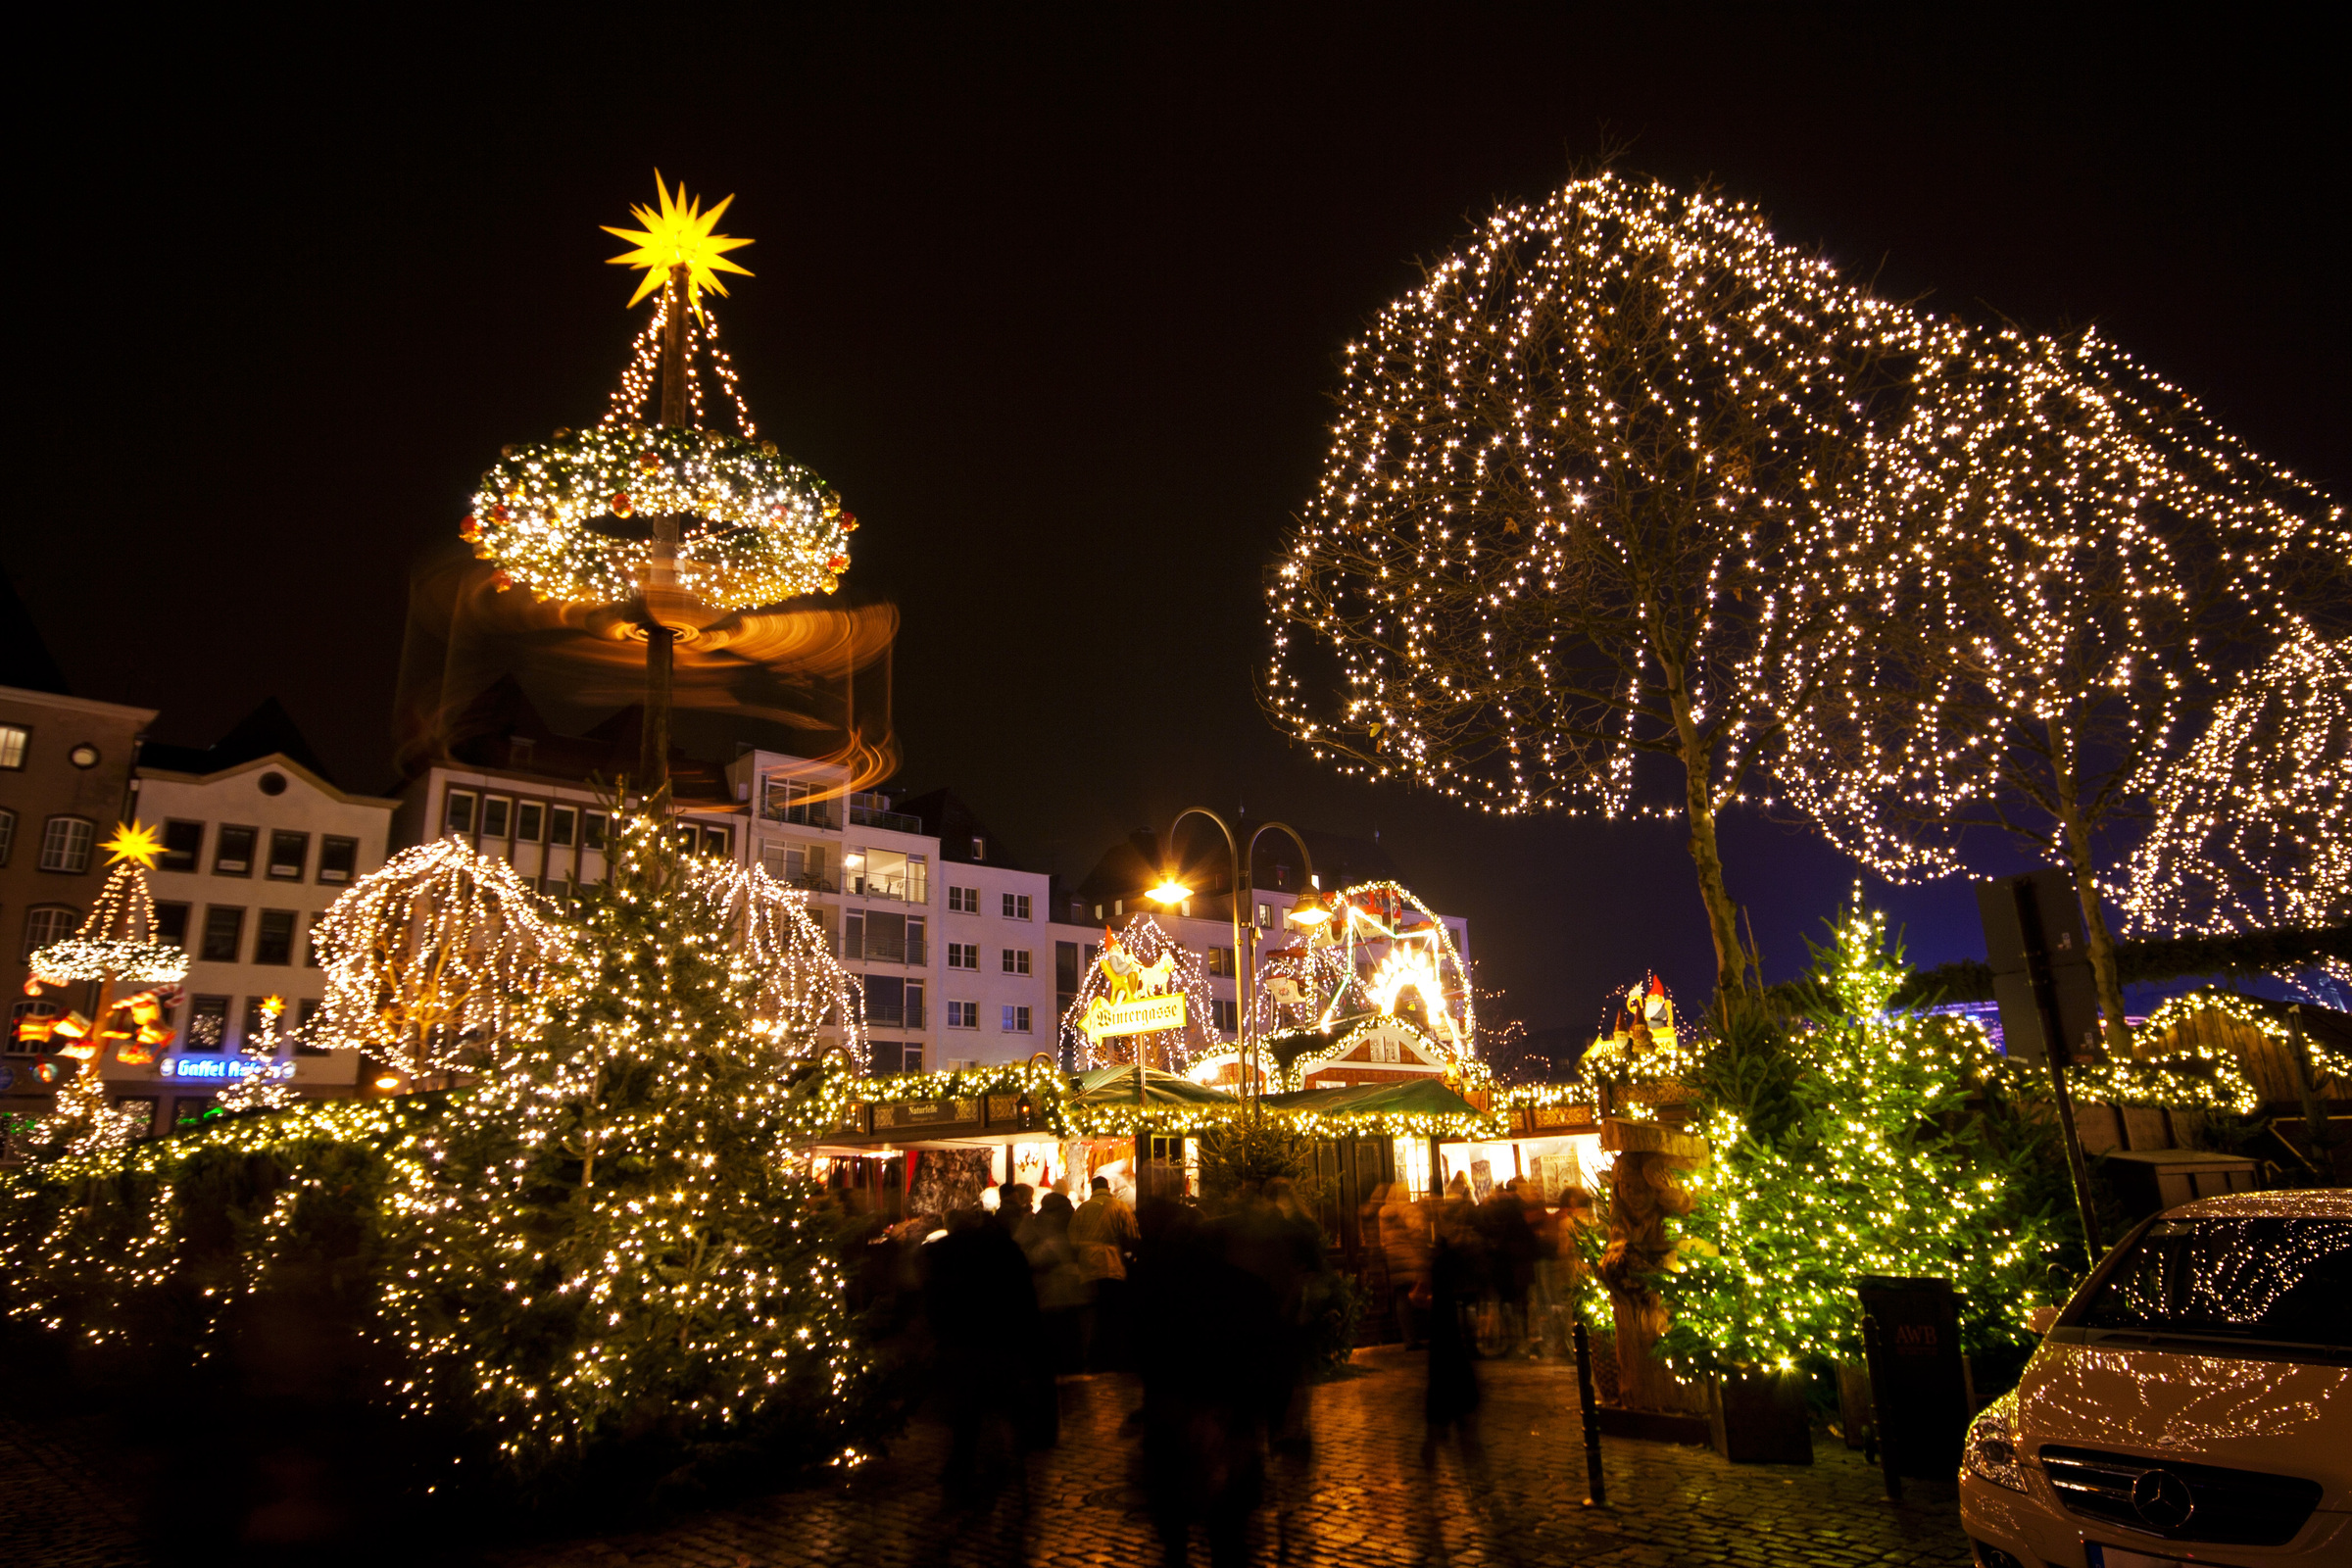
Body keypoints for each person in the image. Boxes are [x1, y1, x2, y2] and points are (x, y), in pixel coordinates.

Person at [1070, 1174, 1140, 1370]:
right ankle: (1113, 1352)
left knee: (1093, 1312)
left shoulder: (1082, 1209)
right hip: (1113, 1265)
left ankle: (1094, 1352)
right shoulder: (1119, 1207)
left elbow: (1072, 1239)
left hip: (1088, 1267)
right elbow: (1133, 1235)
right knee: (1113, 1311)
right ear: (1108, 1187)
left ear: (1092, 1188)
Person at [1019, 1190, 1088, 1377]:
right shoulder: (1073, 1217)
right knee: (1071, 1337)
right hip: (1074, 1288)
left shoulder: (1039, 1223)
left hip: (1051, 1294)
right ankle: (1073, 1372)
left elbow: (1030, 1255)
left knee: (1055, 1338)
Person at [1378, 1181, 1429, 1348]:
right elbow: (1417, 1231)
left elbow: (1383, 1240)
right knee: (1421, 1293)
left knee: (1402, 1298)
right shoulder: (1406, 1209)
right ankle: (1426, 1333)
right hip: (1410, 1257)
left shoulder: (1383, 1213)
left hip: (1394, 1260)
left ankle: (1409, 1339)